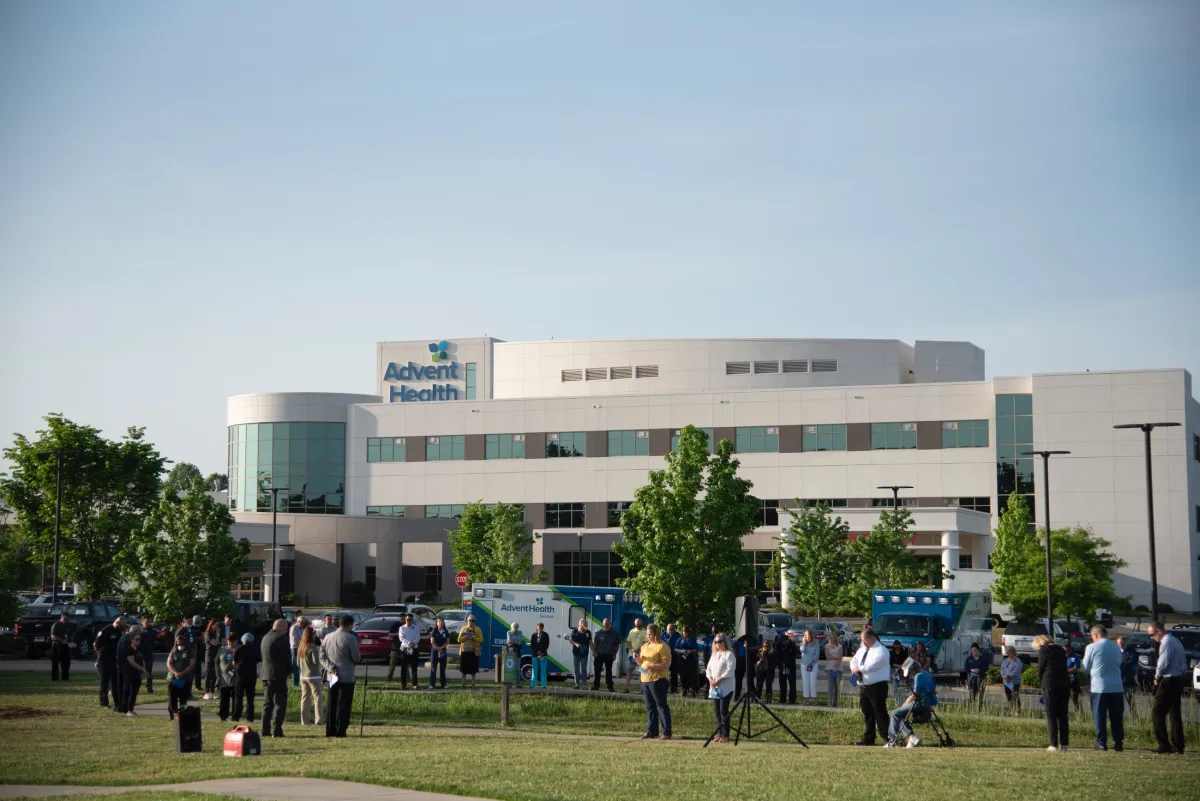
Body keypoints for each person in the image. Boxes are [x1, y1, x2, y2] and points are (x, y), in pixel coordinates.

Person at [1082, 624, 1124, 751]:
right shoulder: (1116, 648)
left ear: (1095, 635)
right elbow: (1120, 663)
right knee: (1116, 716)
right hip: (1117, 686)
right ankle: (1118, 743)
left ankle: (1102, 743)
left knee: (1099, 715)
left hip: (1099, 687)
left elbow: (1085, 667)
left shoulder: (1092, 647)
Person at [320, 614, 362, 738]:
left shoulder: (328, 637)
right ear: (349, 625)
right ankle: (340, 730)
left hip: (332, 675)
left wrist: (330, 666)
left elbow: (321, 656)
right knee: (343, 704)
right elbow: (356, 658)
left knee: (331, 703)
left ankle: (330, 730)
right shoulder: (350, 638)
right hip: (346, 676)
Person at [1147, 620, 1186, 754]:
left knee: (1157, 711)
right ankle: (1178, 745)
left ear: (1159, 631)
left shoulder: (1166, 642)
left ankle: (1164, 744)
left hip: (1169, 679)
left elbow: (1163, 662)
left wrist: (1157, 677)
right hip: (1178, 678)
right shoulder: (1175, 640)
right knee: (1174, 713)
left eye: (1152, 634)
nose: (1152, 638)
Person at [849, 628, 890, 746]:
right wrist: (854, 669)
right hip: (864, 686)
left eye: (864, 640)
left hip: (877, 686)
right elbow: (854, 660)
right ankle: (869, 738)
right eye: (862, 640)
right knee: (867, 713)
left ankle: (888, 737)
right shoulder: (862, 649)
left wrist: (859, 669)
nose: (863, 642)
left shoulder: (881, 650)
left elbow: (874, 665)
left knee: (879, 712)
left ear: (872, 638)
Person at [886, 657, 938, 747]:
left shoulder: (918, 676)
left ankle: (893, 739)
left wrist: (904, 704)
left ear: (912, 669)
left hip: (921, 703)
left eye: (910, 672)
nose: (910, 674)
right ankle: (910, 737)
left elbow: (915, 694)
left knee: (895, 713)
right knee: (901, 714)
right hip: (929, 702)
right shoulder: (925, 673)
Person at [634, 623, 672, 740]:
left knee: (661, 705)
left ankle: (666, 732)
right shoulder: (645, 646)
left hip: (658, 679)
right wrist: (637, 659)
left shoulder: (662, 646)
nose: (648, 636)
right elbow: (642, 664)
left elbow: (667, 663)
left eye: (651, 634)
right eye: (647, 634)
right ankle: (652, 731)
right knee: (649, 706)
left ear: (656, 634)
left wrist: (652, 667)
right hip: (645, 679)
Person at [1036, 634, 1070, 752]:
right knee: (1063, 715)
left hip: (1050, 684)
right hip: (1064, 683)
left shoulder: (1043, 650)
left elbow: (1040, 668)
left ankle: (1053, 744)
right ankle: (1064, 744)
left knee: (1051, 715)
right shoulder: (1060, 649)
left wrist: (1041, 681)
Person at [259, 618, 290, 738]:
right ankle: (277, 730)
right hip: (277, 674)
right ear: (281, 627)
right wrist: (290, 670)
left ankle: (265, 729)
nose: (286, 631)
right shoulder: (280, 638)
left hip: (265, 674)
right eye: (285, 628)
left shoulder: (265, 637)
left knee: (267, 703)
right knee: (280, 703)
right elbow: (285, 657)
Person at [705, 633, 736, 743]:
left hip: (726, 687)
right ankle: (719, 733)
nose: (718, 644)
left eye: (720, 642)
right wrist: (711, 680)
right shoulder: (714, 655)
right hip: (714, 687)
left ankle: (726, 735)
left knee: (724, 710)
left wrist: (719, 679)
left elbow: (730, 671)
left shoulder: (729, 655)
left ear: (725, 642)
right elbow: (708, 669)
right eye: (716, 642)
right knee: (717, 711)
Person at [94, 616, 125, 710]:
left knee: (115, 683)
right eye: (121, 626)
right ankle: (104, 702)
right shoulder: (105, 631)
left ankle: (117, 703)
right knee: (105, 682)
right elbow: (95, 644)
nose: (122, 629)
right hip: (104, 660)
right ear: (116, 623)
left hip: (114, 660)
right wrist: (100, 653)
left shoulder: (119, 631)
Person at [166, 631, 196, 721]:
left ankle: (182, 715)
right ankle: (173, 715)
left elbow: (191, 664)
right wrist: (175, 672)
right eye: (178, 642)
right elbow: (169, 663)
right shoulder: (174, 650)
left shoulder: (190, 651)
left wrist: (182, 673)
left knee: (183, 699)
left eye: (182, 642)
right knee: (173, 698)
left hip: (185, 678)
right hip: (174, 678)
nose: (180, 644)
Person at [297, 625, 323, 726]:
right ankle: (319, 720)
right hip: (314, 675)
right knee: (317, 698)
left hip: (303, 676)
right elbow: (316, 661)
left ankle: (304, 721)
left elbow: (298, 663)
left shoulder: (301, 646)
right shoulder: (312, 646)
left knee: (305, 699)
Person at [121, 627, 148, 717]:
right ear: (131, 640)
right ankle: (129, 710)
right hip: (130, 673)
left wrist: (143, 669)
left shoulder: (138, 649)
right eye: (136, 639)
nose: (138, 641)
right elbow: (132, 662)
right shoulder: (129, 650)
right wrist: (142, 669)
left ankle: (129, 709)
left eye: (139, 639)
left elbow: (142, 659)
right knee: (131, 692)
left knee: (135, 692)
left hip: (137, 674)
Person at [232, 632, 257, 722]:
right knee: (250, 698)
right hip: (251, 675)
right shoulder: (254, 649)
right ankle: (250, 717)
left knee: (238, 697)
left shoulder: (238, 648)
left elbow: (234, 661)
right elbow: (258, 660)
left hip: (240, 675)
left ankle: (236, 716)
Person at [593, 618, 621, 693]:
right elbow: (595, 643)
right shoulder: (599, 633)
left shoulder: (615, 634)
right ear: (603, 624)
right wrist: (594, 652)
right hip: (599, 654)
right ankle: (596, 685)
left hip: (609, 655)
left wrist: (615, 654)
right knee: (597, 670)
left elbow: (617, 645)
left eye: (607, 624)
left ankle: (610, 686)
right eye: (605, 624)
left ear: (610, 624)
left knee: (609, 671)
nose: (606, 626)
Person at [457, 615, 483, 689]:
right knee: (463, 670)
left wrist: (474, 638)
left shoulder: (477, 629)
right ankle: (463, 684)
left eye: (472, 620)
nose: (471, 622)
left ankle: (473, 684)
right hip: (464, 652)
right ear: (467, 621)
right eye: (469, 620)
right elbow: (459, 639)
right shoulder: (464, 628)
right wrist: (465, 637)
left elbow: (481, 639)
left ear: (475, 621)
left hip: (473, 652)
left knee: (473, 670)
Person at [216, 633, 237, 721]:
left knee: (235, 699)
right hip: (224, 679)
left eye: (232, 641)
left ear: (236, 641)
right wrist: (217, 676)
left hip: (235, 679)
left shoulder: (238, 649)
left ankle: (235, 716)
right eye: (228, 641)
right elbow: (216, 662)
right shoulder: (222, 649)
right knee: (224, 699)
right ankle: (223, 716)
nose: (230, 643)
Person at [397, 614, 421, 689]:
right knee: (404, 667)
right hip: (405, 648)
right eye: (407, 620)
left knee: (414, 667)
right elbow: (401, 638)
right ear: (405, 620)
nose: (409, 621)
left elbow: (418, 637)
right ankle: (403, 684)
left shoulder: (416, 627)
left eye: (410, 620)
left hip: (414, 648)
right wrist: (409, 643)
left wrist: (414, 642)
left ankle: (414, 684)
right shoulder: (402, 628)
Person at [674, 626, 700, 698]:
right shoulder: (680, 640)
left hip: (691, 659)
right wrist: (682, 651)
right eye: (684, 632)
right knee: (683, 675)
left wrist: (691, 651)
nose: (685, 633)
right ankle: (684, 689)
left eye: (687, 632)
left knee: (692, 675)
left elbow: (696, 649)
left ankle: (694, 690)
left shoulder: (692, 640)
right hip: (682, 660)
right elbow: (675, 649)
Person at [625, 618, 647, 694]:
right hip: (632, 655)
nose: (637, 626)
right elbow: (628, 641)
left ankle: (641, 689)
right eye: (636, 625)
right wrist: (632, 649)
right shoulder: (632, 631)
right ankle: (626, 688)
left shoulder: (645, 632)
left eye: (639, 625)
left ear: (641, 624)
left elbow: (645, 643)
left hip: (641, 655)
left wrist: (637, 649)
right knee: (629, 671)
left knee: (641, 672)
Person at [775, 629, 797, 704]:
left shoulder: (792, 645)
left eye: (785, 641)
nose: (784, 643)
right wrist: (781, 663)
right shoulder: (779, 645)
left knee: (792, 683)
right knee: (782, 683)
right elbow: (777, 656)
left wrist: (787, 663)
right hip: (782, 666)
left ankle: (792, 699)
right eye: (783, 642)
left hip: (790, 666)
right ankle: (782, 699)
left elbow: (793, 655)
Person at [569, 618, 592, 690]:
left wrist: (594, 651)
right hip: (576, 653)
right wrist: (576, 644)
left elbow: (590, 642)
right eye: (583, 624)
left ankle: (584, 685)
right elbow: (570, 640)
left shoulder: (588, 632)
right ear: (580, 624)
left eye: (585, 624)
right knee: (576, 669)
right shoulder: (575, 631)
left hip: (584, 653)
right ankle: (576, 684)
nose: (584, 626)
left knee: (583, 669)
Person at [1117, 635, 1139, 710]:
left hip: (1128, 678)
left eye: (1122, 644)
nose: (1121, 645)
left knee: (1130, 697)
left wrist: (1123, 663)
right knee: (1118, 699)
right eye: (1119, 644)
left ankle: (1133, 713)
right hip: (1118, 678)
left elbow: (1132, 661)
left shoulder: (1131, 650)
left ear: (1125, 643)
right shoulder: (1116, 651)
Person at [1000, 645, 1023, 713]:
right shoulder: (1005, 660)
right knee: (1008, 696)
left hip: (1014, 681)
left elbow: (1017, 671)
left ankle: (1017, 710)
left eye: (1009, 652)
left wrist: (1009, 676)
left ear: (1013, 652)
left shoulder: (1018, 661)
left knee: (1015, 696)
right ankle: (1011, 709)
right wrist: (1003, 675)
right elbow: (1002, 669)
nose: (1007, 654)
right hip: (1006, 682)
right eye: (1007, 652)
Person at [50, 611, 71, 682]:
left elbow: (71, 634)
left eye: (68, 618)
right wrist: (61, 640)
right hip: (57, 646)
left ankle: (65, 678)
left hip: (66, 646)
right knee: (55, 663)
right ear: (62, 617)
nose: (67, 619)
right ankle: (55, 678)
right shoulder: (56, 625)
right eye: (66, 618)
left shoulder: (68, 625)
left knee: (66, 662)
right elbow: (53, 635)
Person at [799, 629, 820, 703]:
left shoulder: (816, 643)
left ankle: (814, 698)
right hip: (804, 665)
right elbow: (802, 651)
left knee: (813, 682)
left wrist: (811, 661)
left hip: (813, 665)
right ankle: (806, 699)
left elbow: (817, 655)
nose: (809, 637)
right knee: (805, 682)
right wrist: (804, 643)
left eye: (810, 636)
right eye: (808, 636)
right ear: (805, 636)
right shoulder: (802, 643)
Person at [429, 617, 450, 689]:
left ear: (443, 623)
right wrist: (438, 648)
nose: (440, 623)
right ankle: (432, 684)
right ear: (436, 623)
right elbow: (432, 641)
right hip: (435, 651)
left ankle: (443, 684)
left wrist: (441, 648)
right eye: (438, 621)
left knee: (443, 668)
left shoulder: (445, 631)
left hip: (443, 651)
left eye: (441, 621)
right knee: (433, 668)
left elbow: (447, 642)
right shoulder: (434, 631)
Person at [823, 634, 843, 708]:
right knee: (830, 685)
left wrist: (836, 664)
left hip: (838, 668)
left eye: (834, 638)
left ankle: (836, 702)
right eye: (831, 638)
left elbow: (840, 657)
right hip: (829, 668)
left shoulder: (840, 646)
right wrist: (836, 657)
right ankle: (830, 701)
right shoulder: (827, 646)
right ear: (829, 639)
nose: (833, 640)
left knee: (837, 685)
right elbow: (827, 657)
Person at [203, 619, 221, 699]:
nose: (217, 627)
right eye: (215, 625)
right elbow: (215, 643)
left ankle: (212, 691)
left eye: (218, 625)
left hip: (215, 653)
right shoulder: (208, 633)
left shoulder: (214, 633)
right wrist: (218, 634)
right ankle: (207, 691)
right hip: (209, 653)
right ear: (211, 625)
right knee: (209, 672)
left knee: (214, 672)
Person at [964, 643, 986, 711]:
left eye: (975, 650)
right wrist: (971, 670)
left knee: (981, 695)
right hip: (972, 679)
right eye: (973, 650)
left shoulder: (983, 659)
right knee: (972, 694)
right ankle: (972, 708)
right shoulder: (969, 659)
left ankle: (980, 709)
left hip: (981, 678)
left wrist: (979, 670)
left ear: (978, 650)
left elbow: (986, 667)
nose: (974, 652)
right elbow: (966, 667)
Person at [529, 622, 550, 689]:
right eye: (538, 629)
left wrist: (542, 652)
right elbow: (532, 645)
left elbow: (547, 644)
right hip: (535, 655)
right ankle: (532, 685)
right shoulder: (533, 635)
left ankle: (544, 685)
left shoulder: (545, 635)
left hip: (543, 655)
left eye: (540, 629)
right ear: (536, 628)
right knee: (534, 670)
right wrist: (537, 651)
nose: (539, 630)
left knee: (543, 670)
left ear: (542, 628)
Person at [139, 617, 156, 694]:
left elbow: (154, 641)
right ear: (142, 622)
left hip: (148, 652)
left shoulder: (152, 631)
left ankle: (149, 688)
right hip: (139, 652)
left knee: (149, 671)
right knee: (138, 670)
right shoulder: (139, 630)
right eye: (146, 622)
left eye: (149, 622)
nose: (148, 623)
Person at [288, 615, 307, 687]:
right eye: (302, 623)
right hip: (295, 648)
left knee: (301, 665)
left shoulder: (302, 628)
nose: (303, 624)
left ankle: (300, 681)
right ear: (298, 621)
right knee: (295, 665)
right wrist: (304, 642)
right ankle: (295, 682)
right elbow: (295, 639)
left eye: (304, 623)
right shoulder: (293, 628)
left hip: (302, 647)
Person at [663, 623, 681, 694]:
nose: (670, 632)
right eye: (669, 630)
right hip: (665, 656)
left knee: (674, 673)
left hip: (674, 656)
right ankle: (665, 687)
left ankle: (674, 688)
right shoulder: (662, 635)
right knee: (665, 673)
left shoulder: (678, 636)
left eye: (672, 630)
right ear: (666, 629)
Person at [190, 615, 206, 693]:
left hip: (199, 650)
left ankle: (198, 686)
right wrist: (198, 638)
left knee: (198, 669)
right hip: (191, 651)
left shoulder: (202, 627)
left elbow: (204, 636)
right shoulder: (190, 628)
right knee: (189, 670)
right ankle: (186, 687)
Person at [1065, 643, 1082, 713]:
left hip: (1073, 679)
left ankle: (1078, 712)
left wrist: (1065, 671)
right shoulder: (1062, 657)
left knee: (1075, 697)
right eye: (1064, 651)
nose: (1065, 653)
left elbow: (1076, 668)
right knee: (1064, 697)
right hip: (1064, 680)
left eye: (1067, 651)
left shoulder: (1075, 657)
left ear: (1071, 650)